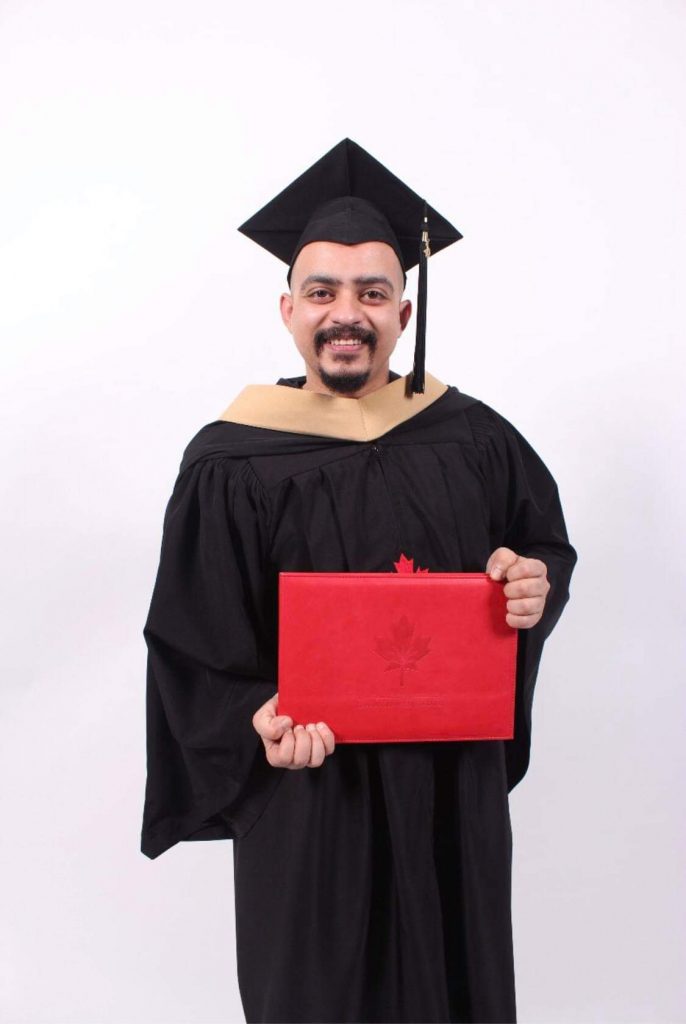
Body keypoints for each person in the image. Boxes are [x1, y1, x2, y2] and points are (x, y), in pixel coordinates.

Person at [141, 139, 577, 1024]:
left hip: (450, 793)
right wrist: (255, 717)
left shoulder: (475, 440)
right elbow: (193, 638)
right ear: (288, 310)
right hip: (311, 798)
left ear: (403, 313)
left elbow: (540, 552)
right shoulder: (231, 461)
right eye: (323, 292)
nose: (348, 313)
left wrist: (532, 584)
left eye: (372, 293)